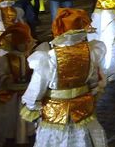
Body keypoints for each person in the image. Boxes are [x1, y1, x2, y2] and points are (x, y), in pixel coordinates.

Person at [21, 8, 107, 147]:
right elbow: (93, 81)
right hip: (82, 108)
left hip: (55, 111)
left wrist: (32, 104)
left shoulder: (48, 57)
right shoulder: (91, 52)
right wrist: (93, 91)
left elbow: (38, 85)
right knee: (83, 139)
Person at [0, 22, 35, 147]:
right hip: (10, 96)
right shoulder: (5, 59)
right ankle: (12, 135)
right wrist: (1, 78)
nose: (26, 45)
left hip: (26, 95)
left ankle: (22, 135)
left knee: (23, 118)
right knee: (9, 117)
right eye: (23, 42)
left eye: (27, 42)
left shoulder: (31, 57)